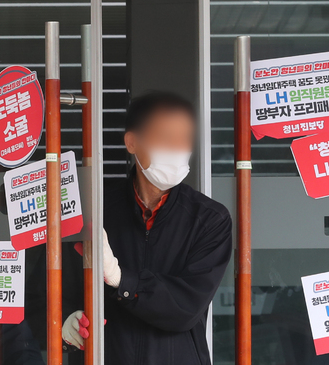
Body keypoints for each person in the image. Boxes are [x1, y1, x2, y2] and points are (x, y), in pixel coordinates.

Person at [62, 91, 233, 364]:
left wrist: (120, 278)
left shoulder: (209, 219)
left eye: (184, 139)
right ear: (132, 142)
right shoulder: (96, 211)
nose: (178, 148)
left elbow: (186, 308)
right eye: (166, 138)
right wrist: (66, 321)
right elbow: (55, 290)